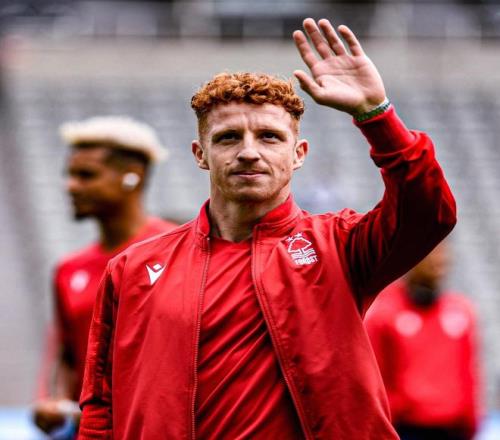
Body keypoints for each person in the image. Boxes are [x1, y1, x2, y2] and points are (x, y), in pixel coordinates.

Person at [78, 18, 456, 439]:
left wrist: (376, 115)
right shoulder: (132, 268)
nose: (248, 152)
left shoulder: (340, 246)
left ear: (299, 154)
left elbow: (430, 213)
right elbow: (100, 403)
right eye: (228, 138)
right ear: (200, 154)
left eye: (269, 137)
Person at [32, 116, 177, 437]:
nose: (70, 186)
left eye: (86, 175)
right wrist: (55, 401)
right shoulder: (69, 269)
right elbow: (68, 354)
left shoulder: (180, 251)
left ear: (132, 177)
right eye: (70, 175)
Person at [365, 242, 481, 440]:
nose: (439, 261)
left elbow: (469, 371)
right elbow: (375, 373)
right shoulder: (385, 311)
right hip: (407, 427)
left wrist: (471, 421)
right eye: (432, 254)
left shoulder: (460, 311)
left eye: (442, 254)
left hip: (453, 429)